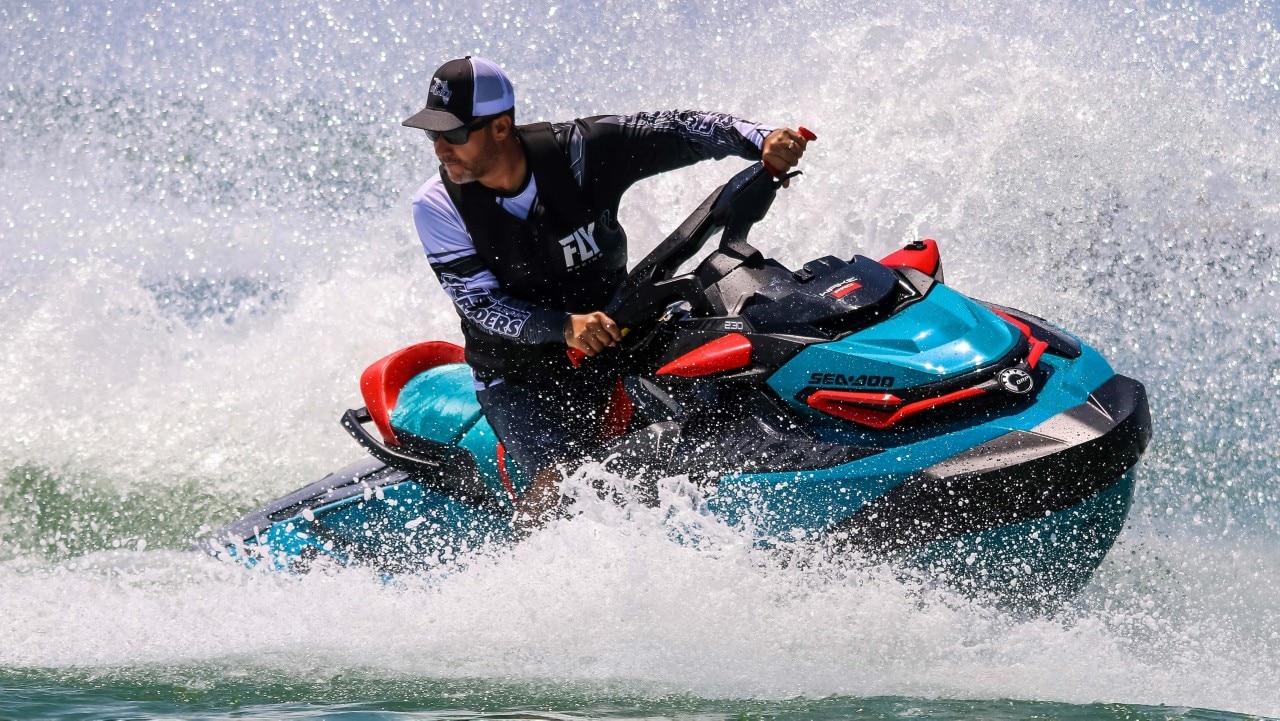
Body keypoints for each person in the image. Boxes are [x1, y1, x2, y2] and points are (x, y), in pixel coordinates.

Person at [402, 56, 809, 526]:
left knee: (735, 384)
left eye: (453, 135)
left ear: (500, 127)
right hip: (521, 378)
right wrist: (563, 327)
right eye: (432, 135)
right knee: (563, 496)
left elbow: (677, 128)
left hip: (624, 335)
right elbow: (478, 305)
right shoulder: (436, 205)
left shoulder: (579, 151)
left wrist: (761, 138)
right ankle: (541, 569)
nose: (440, 150)